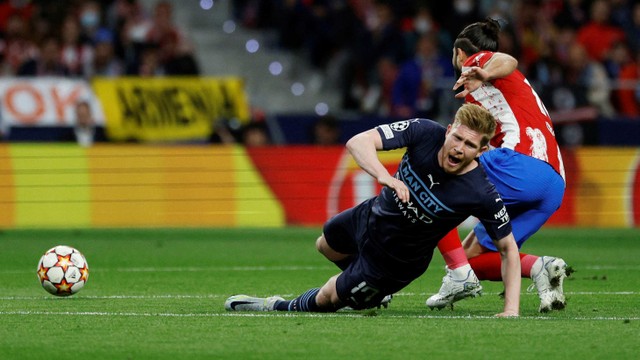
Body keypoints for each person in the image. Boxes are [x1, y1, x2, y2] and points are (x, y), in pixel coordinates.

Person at [226, 103, 521, 317]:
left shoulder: (481, 191)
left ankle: (276, 304)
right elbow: (358, 141)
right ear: (448, 131)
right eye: (457, 138)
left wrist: (511, 310)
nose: (458, 148)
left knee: (329, 298)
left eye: (469, 145)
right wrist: (384, 176)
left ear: (481, 151)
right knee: (324, 244)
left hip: (396, 261)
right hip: (370, 216)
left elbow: (508, 249)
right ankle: (369, 290)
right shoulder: (424, 131)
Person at [426, 18, 570, 313]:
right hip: (553, 184)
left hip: (520, 164)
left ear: (459, 53)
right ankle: (539, 268)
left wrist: (483, 70)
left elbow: (508, 59)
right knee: (473, 259)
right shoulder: (496, 96)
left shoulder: (477, 63)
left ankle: (388, 277)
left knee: (431, 188)